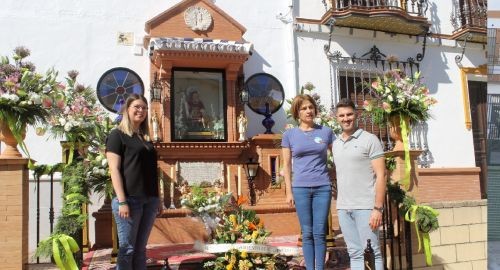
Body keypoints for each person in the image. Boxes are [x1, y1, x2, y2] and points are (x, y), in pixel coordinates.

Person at [106, 94, 159, 270]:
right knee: (127, 250)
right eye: (136, 106)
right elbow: (114, 169)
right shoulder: (117, 135)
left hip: (149, 199)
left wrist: (157, 198)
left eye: (144, 107)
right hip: (129, 199)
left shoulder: (145, 138)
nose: (141, 110)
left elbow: (152, 171)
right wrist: (122, 201)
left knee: (140, 250)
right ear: (127, 109)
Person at [281, 94, 334, 270]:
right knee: (307, 233)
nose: (308, 111)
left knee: (320, 233)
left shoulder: (326, 132)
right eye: (303, 108)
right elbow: (286, 166)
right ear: (297, 113)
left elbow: (339, 158)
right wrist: (288, 191)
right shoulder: (289, 135)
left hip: (322, 188)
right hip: (301, 188)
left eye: (310, 107)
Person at [332, 98, 386, 270]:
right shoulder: (335, 143)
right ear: (337, 118)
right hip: (343, 208)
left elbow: (381, 175)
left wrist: (377, 208)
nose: (345, 118)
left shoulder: (370, 140)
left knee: (373, 252)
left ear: (356, 115)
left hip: (366, 207)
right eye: (342, 115)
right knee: (354, 253)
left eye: (349, 114)